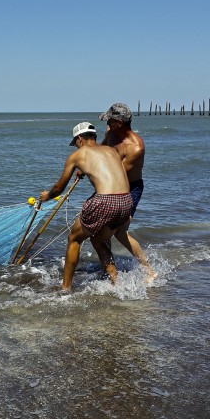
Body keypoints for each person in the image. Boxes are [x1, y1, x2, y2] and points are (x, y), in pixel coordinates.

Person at [39, 122, 136, 290]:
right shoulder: (112, 151)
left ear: (79, 139)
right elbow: (112, 177)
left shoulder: (78, 155)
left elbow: (58, 189)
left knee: (74, 238)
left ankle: (65, 289)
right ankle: (116, 282)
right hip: (126, 201)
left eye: (75, 143)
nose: (76, 146)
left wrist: (46, 196)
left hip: (105, 201)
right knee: (98, 239)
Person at [99, 103, 158, 284]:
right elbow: (101, 152)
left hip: (129, 188)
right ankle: (109, 268)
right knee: (103, 228)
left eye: (110, 119)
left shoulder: (136, 147)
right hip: (109, 184)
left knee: (118, 232)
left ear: (119, 122)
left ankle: (148, 270)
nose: (107, 122)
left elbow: (118, 174)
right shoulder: (110, 133)